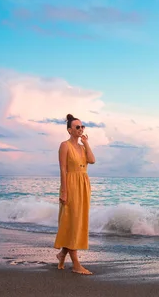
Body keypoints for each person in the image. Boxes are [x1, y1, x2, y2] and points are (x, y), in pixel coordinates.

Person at [54, 113, 96, 275]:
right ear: (69, 130)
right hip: (71, 184)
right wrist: (64, 191)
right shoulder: (65, 145)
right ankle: (76, 264)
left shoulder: (82, 147)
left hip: (83, 185)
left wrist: (86, 142)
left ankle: (62, 254)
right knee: (71, 222)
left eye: (82, 127)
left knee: (78, 222)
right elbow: (63, 169)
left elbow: (91, 160)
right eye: (77, 127)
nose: (80, 129)